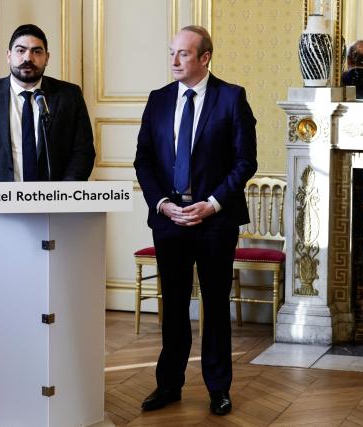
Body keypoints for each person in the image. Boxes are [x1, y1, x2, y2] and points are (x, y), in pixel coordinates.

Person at [134, 25, 257, 416]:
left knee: (215, 308)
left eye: (183, 54)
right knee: (173, 307)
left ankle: (219, 389)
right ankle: (168, 386)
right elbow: (144, 160)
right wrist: (162, 204)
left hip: (214, 223)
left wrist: (213, 204)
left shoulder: (232, 98)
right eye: (172, 52)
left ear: (205, 58)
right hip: (171, 220)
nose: (174, 60)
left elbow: (245, 161)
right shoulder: (157, 100)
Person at [0, 24, 95, 245]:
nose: (28, 57)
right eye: (20, 50)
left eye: (37, 51)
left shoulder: (69, 95)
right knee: (1, 279)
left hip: (54, 215)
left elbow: (83, 151)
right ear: (9, 56)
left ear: (47, 58)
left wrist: (64, 195)